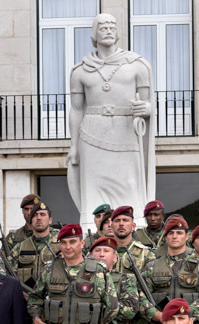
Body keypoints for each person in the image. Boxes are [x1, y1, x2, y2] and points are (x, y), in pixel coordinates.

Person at [65, 12, 154, 227]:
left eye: (112, 27)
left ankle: (133, 226)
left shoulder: (138, 65)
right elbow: (76, 110)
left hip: (125, 132)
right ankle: (93, 227)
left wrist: (146, 108)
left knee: (130, 185)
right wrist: (74, 147)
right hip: (92, 132)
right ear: (94, 33)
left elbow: (149, 104)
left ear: (117, 33)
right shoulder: (80, 71)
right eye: (103, 27)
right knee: (93, 188)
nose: (108, 30)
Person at [89, 236, 139, 324]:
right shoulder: (82, 280)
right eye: (97, 250)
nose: (101, 254)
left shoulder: (124, 279)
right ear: (90, 255)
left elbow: (131, 309)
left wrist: (100, 309)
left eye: (106, 251)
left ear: (115, 257)